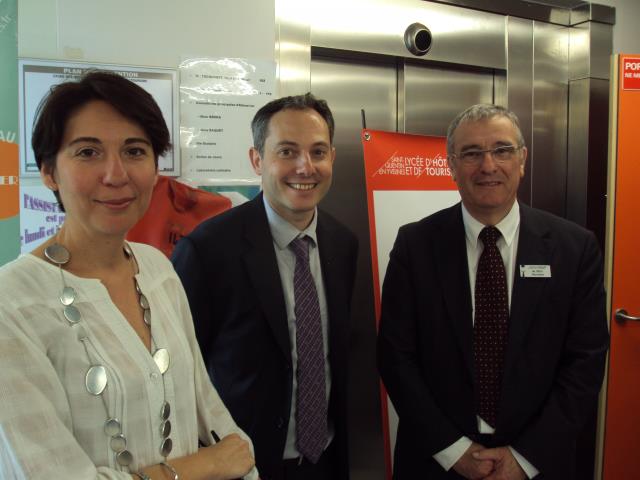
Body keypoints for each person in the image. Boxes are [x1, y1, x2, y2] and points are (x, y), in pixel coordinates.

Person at [0, 71, 258, 480]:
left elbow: (212, 416)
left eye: (135, 151)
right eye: (87, 152)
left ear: (155, 168)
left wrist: (232, 456)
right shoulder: (12, 302)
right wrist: (199, 467)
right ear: (49, 171)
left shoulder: (156, 268)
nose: (116, 174)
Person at [377, 104, 609, 480]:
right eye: (471, 153)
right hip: (437, 460)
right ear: (451, 165)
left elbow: (586, 361)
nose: (488, 166)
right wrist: (454, 451)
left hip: (538, 462)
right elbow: (395, 355)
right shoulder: (415, 245)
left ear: (522, 159)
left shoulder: (574, 248)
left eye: (502, 150)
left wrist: (526, 457)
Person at [172, 93, 358, 480]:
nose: (305, 167)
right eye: (287, 151)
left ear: (332, 159)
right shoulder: (208, 249)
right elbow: (180, 376)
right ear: (257, 160)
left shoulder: (343, 244)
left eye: (318, 152)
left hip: (325, 459)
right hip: (244, 465)